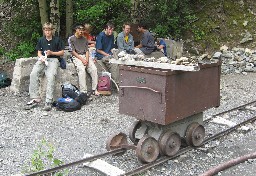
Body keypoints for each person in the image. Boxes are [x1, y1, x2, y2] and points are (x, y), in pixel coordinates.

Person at [25, 22, 65, 111]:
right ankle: (35, 97)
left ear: (52, 30)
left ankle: (48, 101)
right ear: (44, 31)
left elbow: (62, 53)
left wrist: (52, 53)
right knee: (33, 74)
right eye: (46, 30)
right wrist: (41, 57)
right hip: (43, 59)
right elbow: (39, 52)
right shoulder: (41, 40)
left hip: (54, 59)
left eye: (49, 30)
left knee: (50, 76)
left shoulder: (57, 40)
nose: (47, 32)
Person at [68, 24, 100, 96]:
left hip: (85, 56)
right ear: (76, 30)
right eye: (79, 29)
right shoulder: (71, 39)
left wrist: (87, 60)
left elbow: (87, 51)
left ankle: (94, 89)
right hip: (77, 56)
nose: (81, 31)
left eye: (82, 30)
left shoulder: (84, 39)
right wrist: (82, 59)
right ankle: (83, 92)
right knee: (81, 70)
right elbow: (73, 52)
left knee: (94, 69)